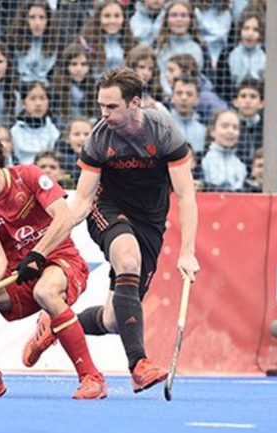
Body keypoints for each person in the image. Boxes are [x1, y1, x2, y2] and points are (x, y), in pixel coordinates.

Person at [22, 68, 200, 394]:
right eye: (101, 106)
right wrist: (39, 252)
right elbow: (80, 204)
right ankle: (139, 365)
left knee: (114, 320)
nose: (104, 114)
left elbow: (186, 195)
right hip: (108, 209)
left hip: (150, 221)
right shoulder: (99, 139)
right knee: (128, 258)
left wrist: (187, 251)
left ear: (135, 103)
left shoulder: (164, 132)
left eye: (112, 106)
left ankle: (55, 323)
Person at [0, 126, 106, 399]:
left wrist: (37, 255)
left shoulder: (28, 176)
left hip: (61, 261)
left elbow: (64, 218)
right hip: (19, 273)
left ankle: (91, 377)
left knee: (46, 291)